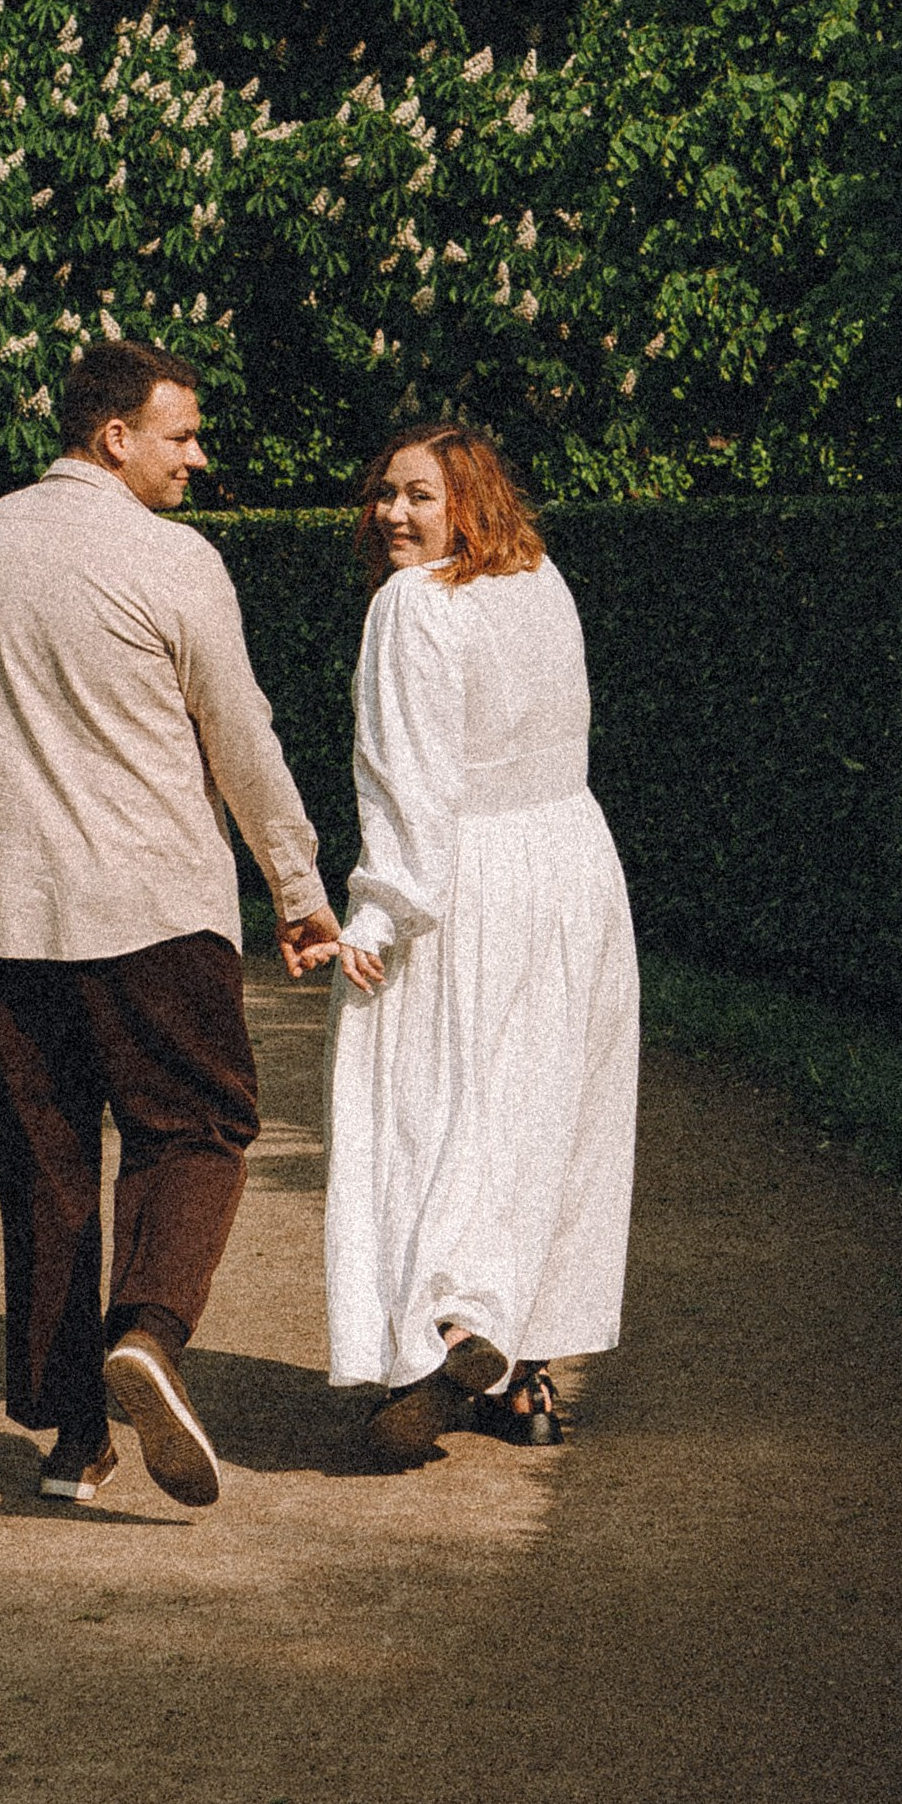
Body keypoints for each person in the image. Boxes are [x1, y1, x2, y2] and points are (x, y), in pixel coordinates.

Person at [0, 340, 342, 1510]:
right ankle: (147, 1331)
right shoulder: (173, 560)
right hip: (152, 912)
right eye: (182, 434)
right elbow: (239, 737)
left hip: (10, 920)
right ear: (116, 436)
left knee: (44, 1169)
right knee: (198, 1127)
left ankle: (72, 1441)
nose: (198, 454)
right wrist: (297, 888)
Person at [323, 424, 638, 1467]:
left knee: (434, 1102)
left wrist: (376, 912)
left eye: (419, 496)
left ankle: (453, 1327)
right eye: (385, 494)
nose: (392, 515)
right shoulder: (542, 580)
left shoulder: (409, 606)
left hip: (470, 878)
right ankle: (528, 1373)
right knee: (545, 1108)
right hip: (575, 862)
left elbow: (409, 781)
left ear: (471, 503)